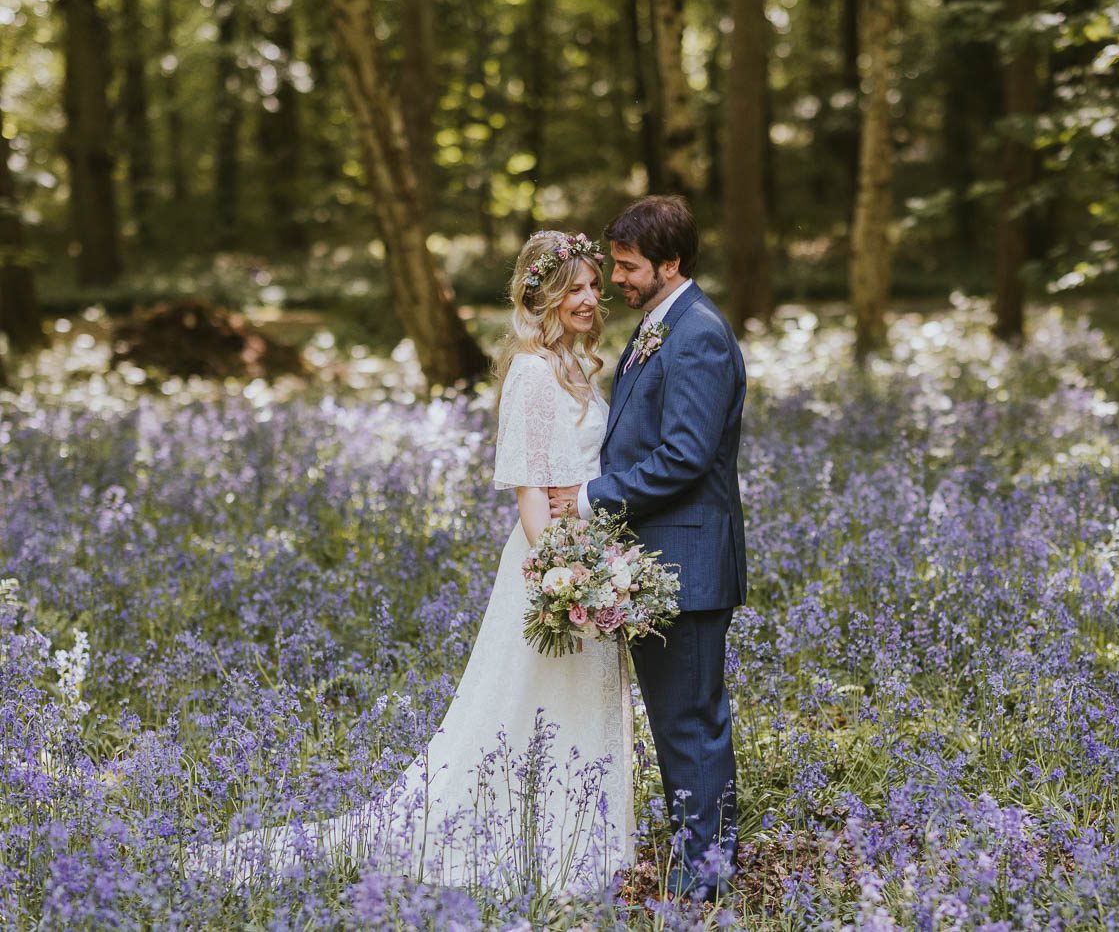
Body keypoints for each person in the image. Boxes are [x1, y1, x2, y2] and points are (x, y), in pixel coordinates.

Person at [200, 231, 634, 891]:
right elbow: (529, 492)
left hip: (590, 557)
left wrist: (599, 562)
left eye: (594, 286)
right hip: (550, 562)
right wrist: (557, 575)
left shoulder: (579, 366)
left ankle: (589, 842)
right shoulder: (531, 374)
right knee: (534, 703)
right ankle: (537, 845)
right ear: (540, 294)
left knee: (580, 695)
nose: (590, 298)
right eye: (574, 287)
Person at [548, 195, 747, 901]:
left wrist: (592, 497)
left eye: (629, 268)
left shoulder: (698, 335)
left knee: (692, 721)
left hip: (688, 563)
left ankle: (709, 876)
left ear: (671, 264)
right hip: (658, 562)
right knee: (674, 719)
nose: (618, 280)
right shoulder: (656, 328)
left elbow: (686, 456)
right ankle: (697, 854)